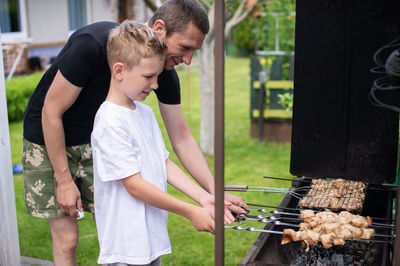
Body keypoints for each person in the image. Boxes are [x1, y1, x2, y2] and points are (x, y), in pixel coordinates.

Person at [22, 0, 247, 264]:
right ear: (160, 28)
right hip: (50, 136)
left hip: (100, 142)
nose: (187, 60)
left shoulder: (157, 75)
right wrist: (63, 180)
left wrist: (212, 193)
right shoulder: (92, 45)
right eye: (185, 48)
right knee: (67, 239)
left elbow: (181, 138)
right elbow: (51, 111)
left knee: (114, 221)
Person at [92, 21, 215, 265]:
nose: (156, 85)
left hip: (149, 239)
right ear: (119, 71)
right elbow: (134, 185)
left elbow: (164, 162)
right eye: (148, 76)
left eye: (157, 76)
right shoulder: (109, 121)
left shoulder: (144, 113)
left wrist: (202, 197)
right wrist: (190, 211)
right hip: (126, 246)